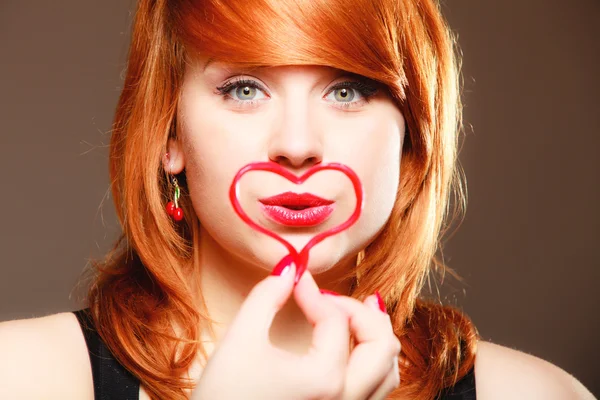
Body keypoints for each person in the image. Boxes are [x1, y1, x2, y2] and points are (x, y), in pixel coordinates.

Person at [0, 0, 595, 399]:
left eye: (347, 89)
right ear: (169, 134)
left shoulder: (535, 395)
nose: (297, 145)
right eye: (244, 88)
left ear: (413, 132)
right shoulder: (24, 376)